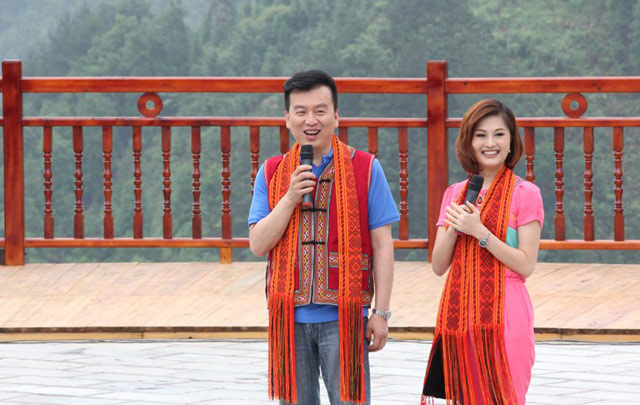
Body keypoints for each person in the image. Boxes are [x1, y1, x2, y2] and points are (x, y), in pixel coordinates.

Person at [248, 69, 398, 405]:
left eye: (320, 111)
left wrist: (382, 312)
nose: (310, 120)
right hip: (288, 318)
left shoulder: (366, 168)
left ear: (336, 116)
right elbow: (258, 244)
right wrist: (289, 198)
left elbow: (382, 245)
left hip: (346, 317)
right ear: (287, 118)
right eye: (301, 111)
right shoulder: (272, 172)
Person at [421, 99, 544, 405]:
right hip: (461, 311)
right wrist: (457, 225)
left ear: (511, 141)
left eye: (499, 134)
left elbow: (526, 265)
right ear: (469, 142)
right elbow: (438, 265)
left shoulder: (526, 194)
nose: (490, 143)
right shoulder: (455, 193)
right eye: (481, 135)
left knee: (507, 396)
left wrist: (481, 232)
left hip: (507, 311)